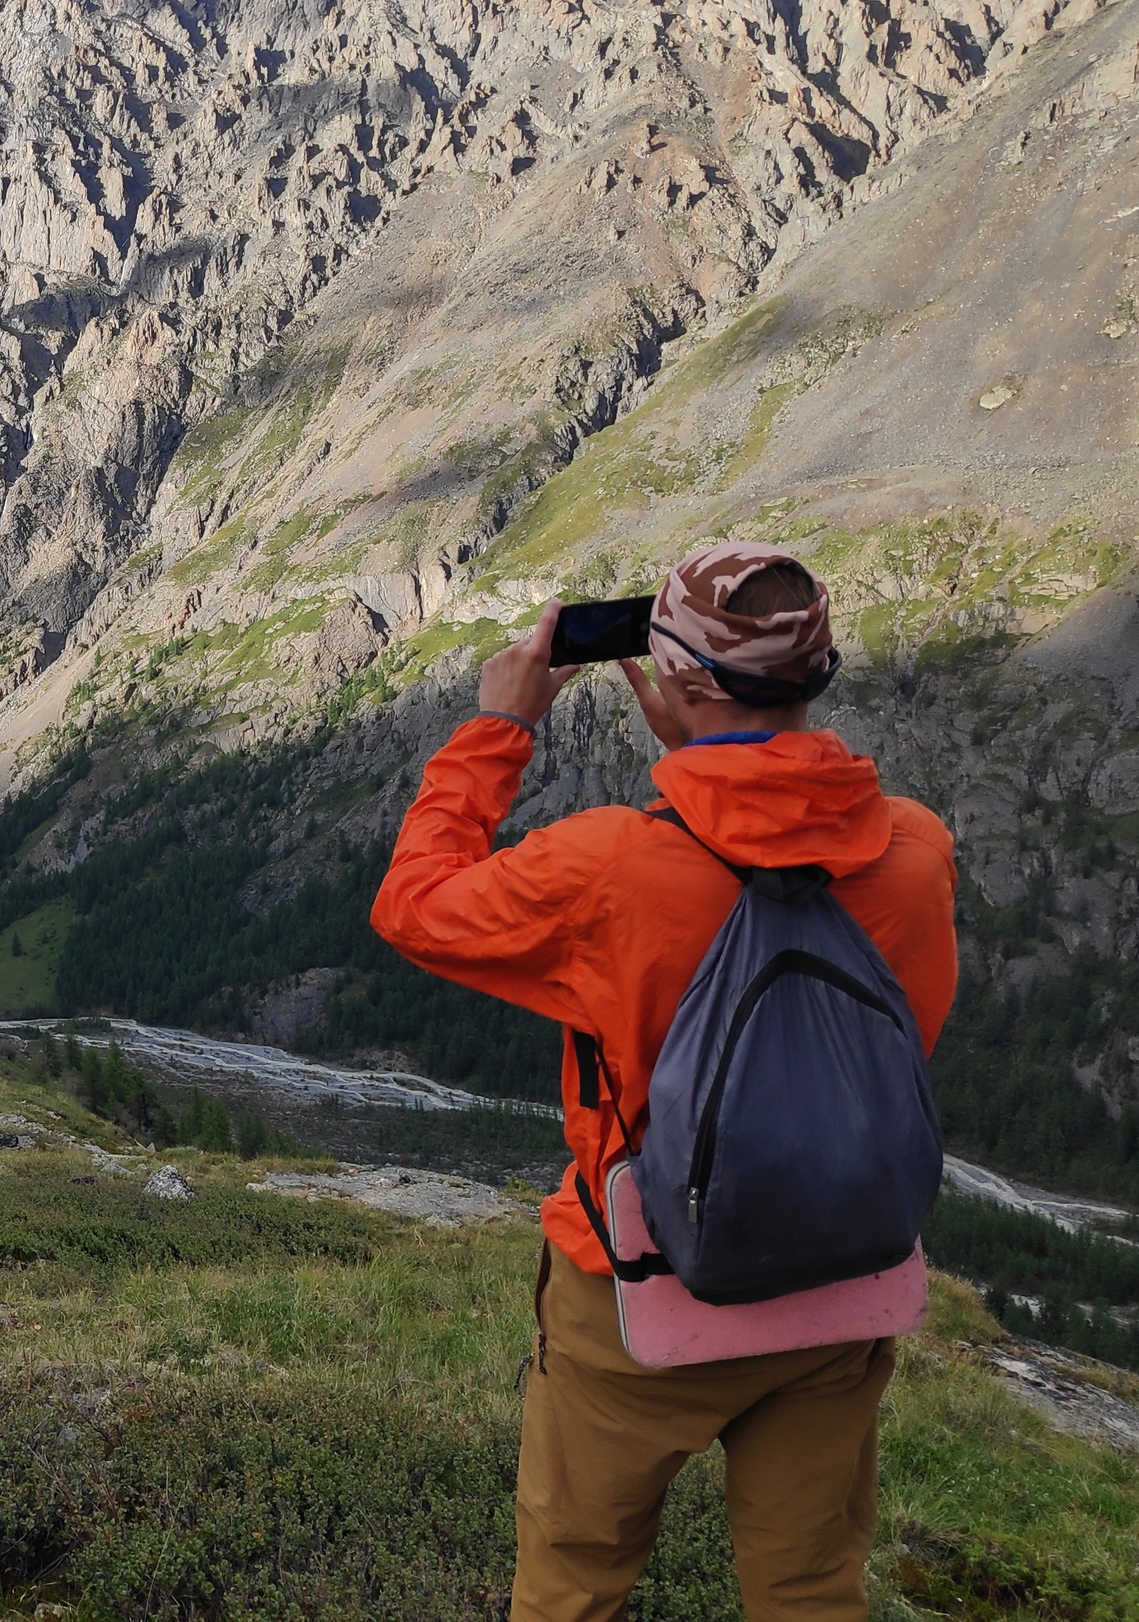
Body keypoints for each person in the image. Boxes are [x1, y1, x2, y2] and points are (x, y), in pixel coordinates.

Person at [369, 543, 957, 1622]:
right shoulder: (916, 852)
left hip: (641, 1292)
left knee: (574, 1581)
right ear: (816, 675)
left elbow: (413, 908)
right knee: (812, 1587)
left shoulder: (607, 865)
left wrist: (497, 729)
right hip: (843, 1276)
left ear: (677, 679)